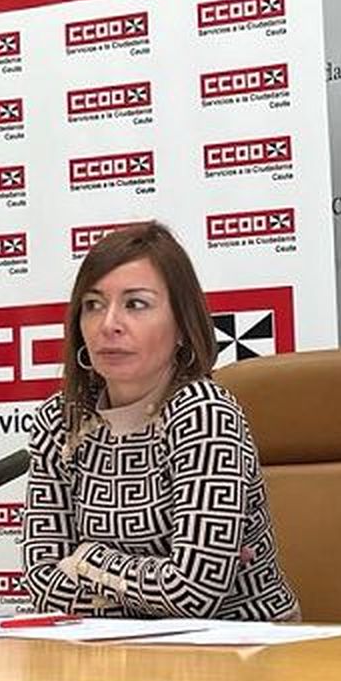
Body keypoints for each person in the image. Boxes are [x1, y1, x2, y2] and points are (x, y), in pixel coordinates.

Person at [20, 221, 300, 620]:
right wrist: (155, 581)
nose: (108, 324)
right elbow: (41, 584)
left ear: (183, 326)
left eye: (135, 304)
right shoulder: (59, 420)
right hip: (112, 653)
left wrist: (86, 560)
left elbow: (195, 595)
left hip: (239, 647)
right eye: (93, 304)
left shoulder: (204, 414)